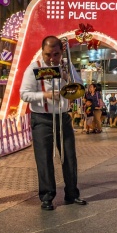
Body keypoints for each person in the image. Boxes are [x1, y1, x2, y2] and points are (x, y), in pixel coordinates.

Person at [19, 36, 86, 211]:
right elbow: (24, 94)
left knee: (70, 157)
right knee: (44, 159)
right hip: (42, 119)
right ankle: (47, 197)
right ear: (42, 51)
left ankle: (72, 194)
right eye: (48, 54)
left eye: (56, 54)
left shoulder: (66, 65)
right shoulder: (34, 67)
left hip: (63, 117)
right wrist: (45, 95)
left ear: (61, 53)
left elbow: (79, 86)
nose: (51, 59)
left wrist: (66, 76)